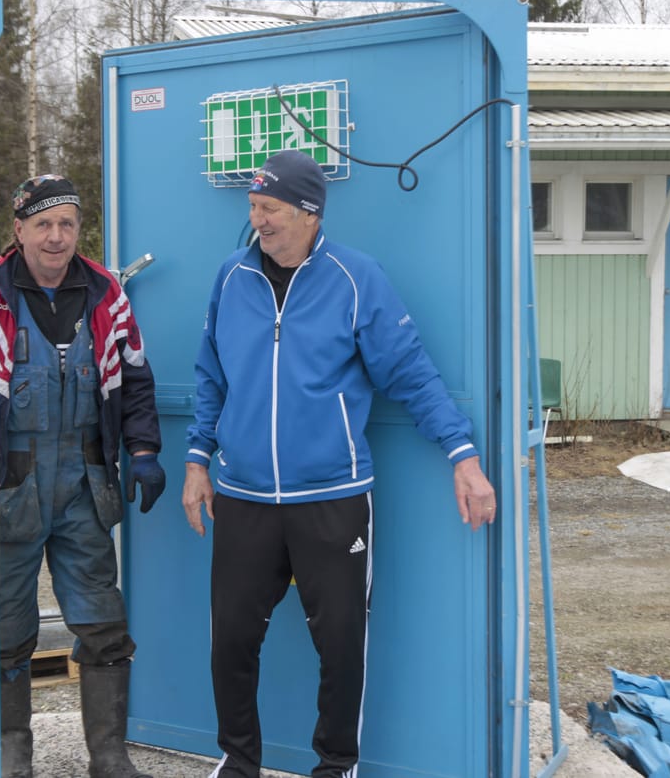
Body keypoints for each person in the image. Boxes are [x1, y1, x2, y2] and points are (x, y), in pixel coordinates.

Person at [182, 150, 497, 778]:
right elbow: (211, 374)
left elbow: (410, 371)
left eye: (269, 208)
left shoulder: (356, 278)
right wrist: (197, 459)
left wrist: (462, 454)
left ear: (308, 212)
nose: (258, 220)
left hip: (332, 495)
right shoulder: (230, 277)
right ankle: (237, 761)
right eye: (252, 207)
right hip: (243, 495)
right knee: (232, 641)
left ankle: (336, 766)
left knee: (341, 646)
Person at [0, 174, 166, 778]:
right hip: (9, 482)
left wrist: (143, 450)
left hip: (86, 483)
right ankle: (12, 754)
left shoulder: (107, 291)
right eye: (43, 224)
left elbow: (134, 379)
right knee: (7, 625)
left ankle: (108, 755)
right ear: (19, 229)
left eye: (66, 223)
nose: (56, 237)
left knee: (103, 621)